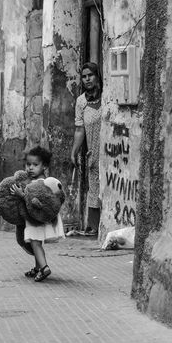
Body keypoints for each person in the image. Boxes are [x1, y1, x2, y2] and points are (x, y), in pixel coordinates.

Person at [10, 146, 65, 282]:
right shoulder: (35, 182)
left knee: (35, 243)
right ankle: (37, 268)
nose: (30, 168)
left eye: (35, 165)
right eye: (28, 164)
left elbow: (33, 200)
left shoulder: (41, 184)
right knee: (36, 242)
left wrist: (21, 195)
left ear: (44, 166)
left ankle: (44, 268)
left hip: (37, 220)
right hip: (34, 219)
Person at [70, 62, 102, 236]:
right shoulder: (81, 101)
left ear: (97, 76)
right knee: (94, 185)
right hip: (93, 151)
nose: (87, 79)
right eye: (84, 76)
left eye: (90, 75)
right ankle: (94, 226)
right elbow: (79, 129)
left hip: (111, 149)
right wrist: (74, 151)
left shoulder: (107, 96)